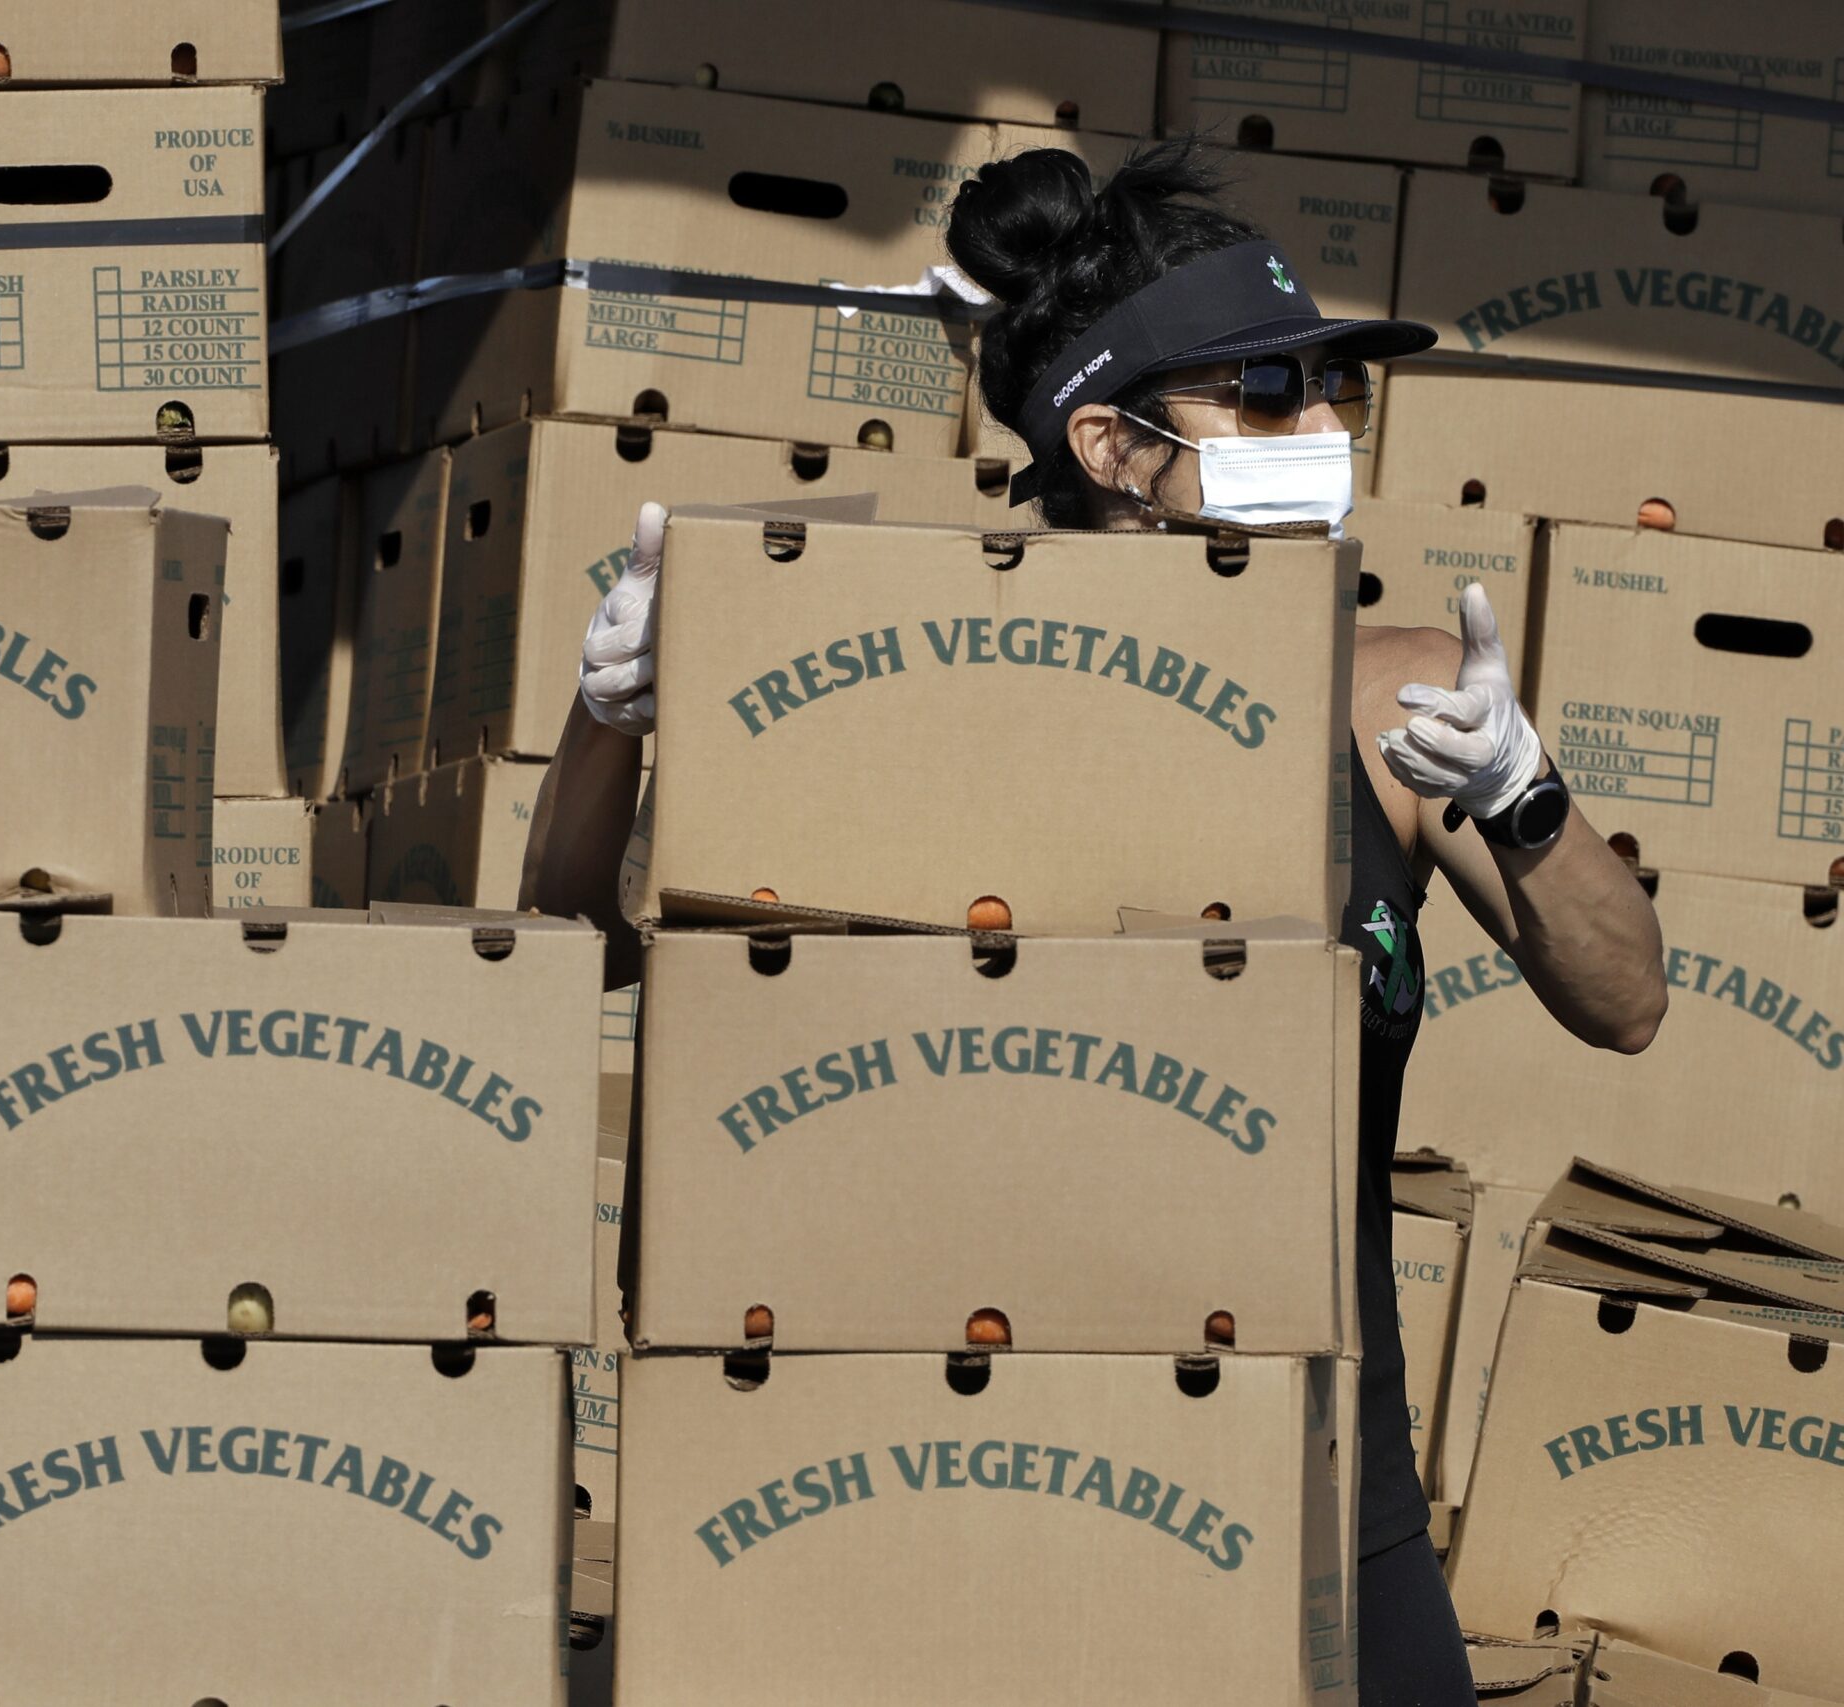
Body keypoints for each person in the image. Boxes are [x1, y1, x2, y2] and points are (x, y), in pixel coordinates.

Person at [520, 139, 1668, 1704]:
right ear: (1116, 449)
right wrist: (614, 718)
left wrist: (1525, 792)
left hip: (1317, 1487)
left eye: (1338, 392)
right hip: (962, 1483)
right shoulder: (914, 682)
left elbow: (1627, 999)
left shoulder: (1391, 697)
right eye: (1266, 394)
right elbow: (580, 925)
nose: (1323, 432)